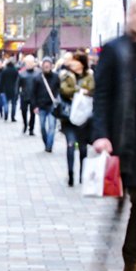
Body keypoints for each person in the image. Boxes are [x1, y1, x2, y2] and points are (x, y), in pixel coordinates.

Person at [91, 0, 136, 271]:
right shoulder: (112, 50)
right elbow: (102, 95)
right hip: (120, 137)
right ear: (128, 14)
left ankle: (131, 260)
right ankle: (104, 249)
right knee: (117, 199)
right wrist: (100, 135)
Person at [58, 52, 94, 187]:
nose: (73, 63)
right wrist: (79, 90)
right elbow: (63, 90)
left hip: (84, 117)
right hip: (69, 117)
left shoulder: (89, 76)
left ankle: (82, 174)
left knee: (83, 148)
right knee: (70, 145)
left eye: (76, 61)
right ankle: (71, 174)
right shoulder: (65, 75)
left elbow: (93, 90)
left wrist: (82, 92)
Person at [30, 57, 61, 152]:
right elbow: (33, 93)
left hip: (52, 106)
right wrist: (34, 106)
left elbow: (60, 90)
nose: (46, 66)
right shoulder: (37, 78)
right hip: (41, 106)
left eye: (48, 64)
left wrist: (58, 100)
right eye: (45, 64)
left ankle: (49, 146)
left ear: (51, 66)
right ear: (42, 66)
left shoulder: (56, 77)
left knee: (52, 126)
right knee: (42, 127)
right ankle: (46, 141)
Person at [18, 55, 39, 135]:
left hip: (34, 96)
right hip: (24, 96)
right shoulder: (21, 74)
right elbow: (18, 85)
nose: (29, 64)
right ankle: (25, 124)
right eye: (27, 63)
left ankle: (31, 128)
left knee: (33, 113)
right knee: (23, 111)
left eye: (31, 62)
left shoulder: (37, 73)